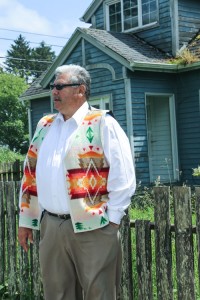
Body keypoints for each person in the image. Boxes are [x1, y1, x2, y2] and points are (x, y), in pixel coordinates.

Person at [18, 64, 136, 300]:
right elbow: (30, 172)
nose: (54, 91)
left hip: (94, 228)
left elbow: (124, 177)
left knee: (98, 293)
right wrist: (26, 220)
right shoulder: (45, 125)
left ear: (80, 90)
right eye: (53, 86)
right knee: (57, 294)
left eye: (59, 86)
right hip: (51, 226)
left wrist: (111, 222)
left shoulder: (103, 123)